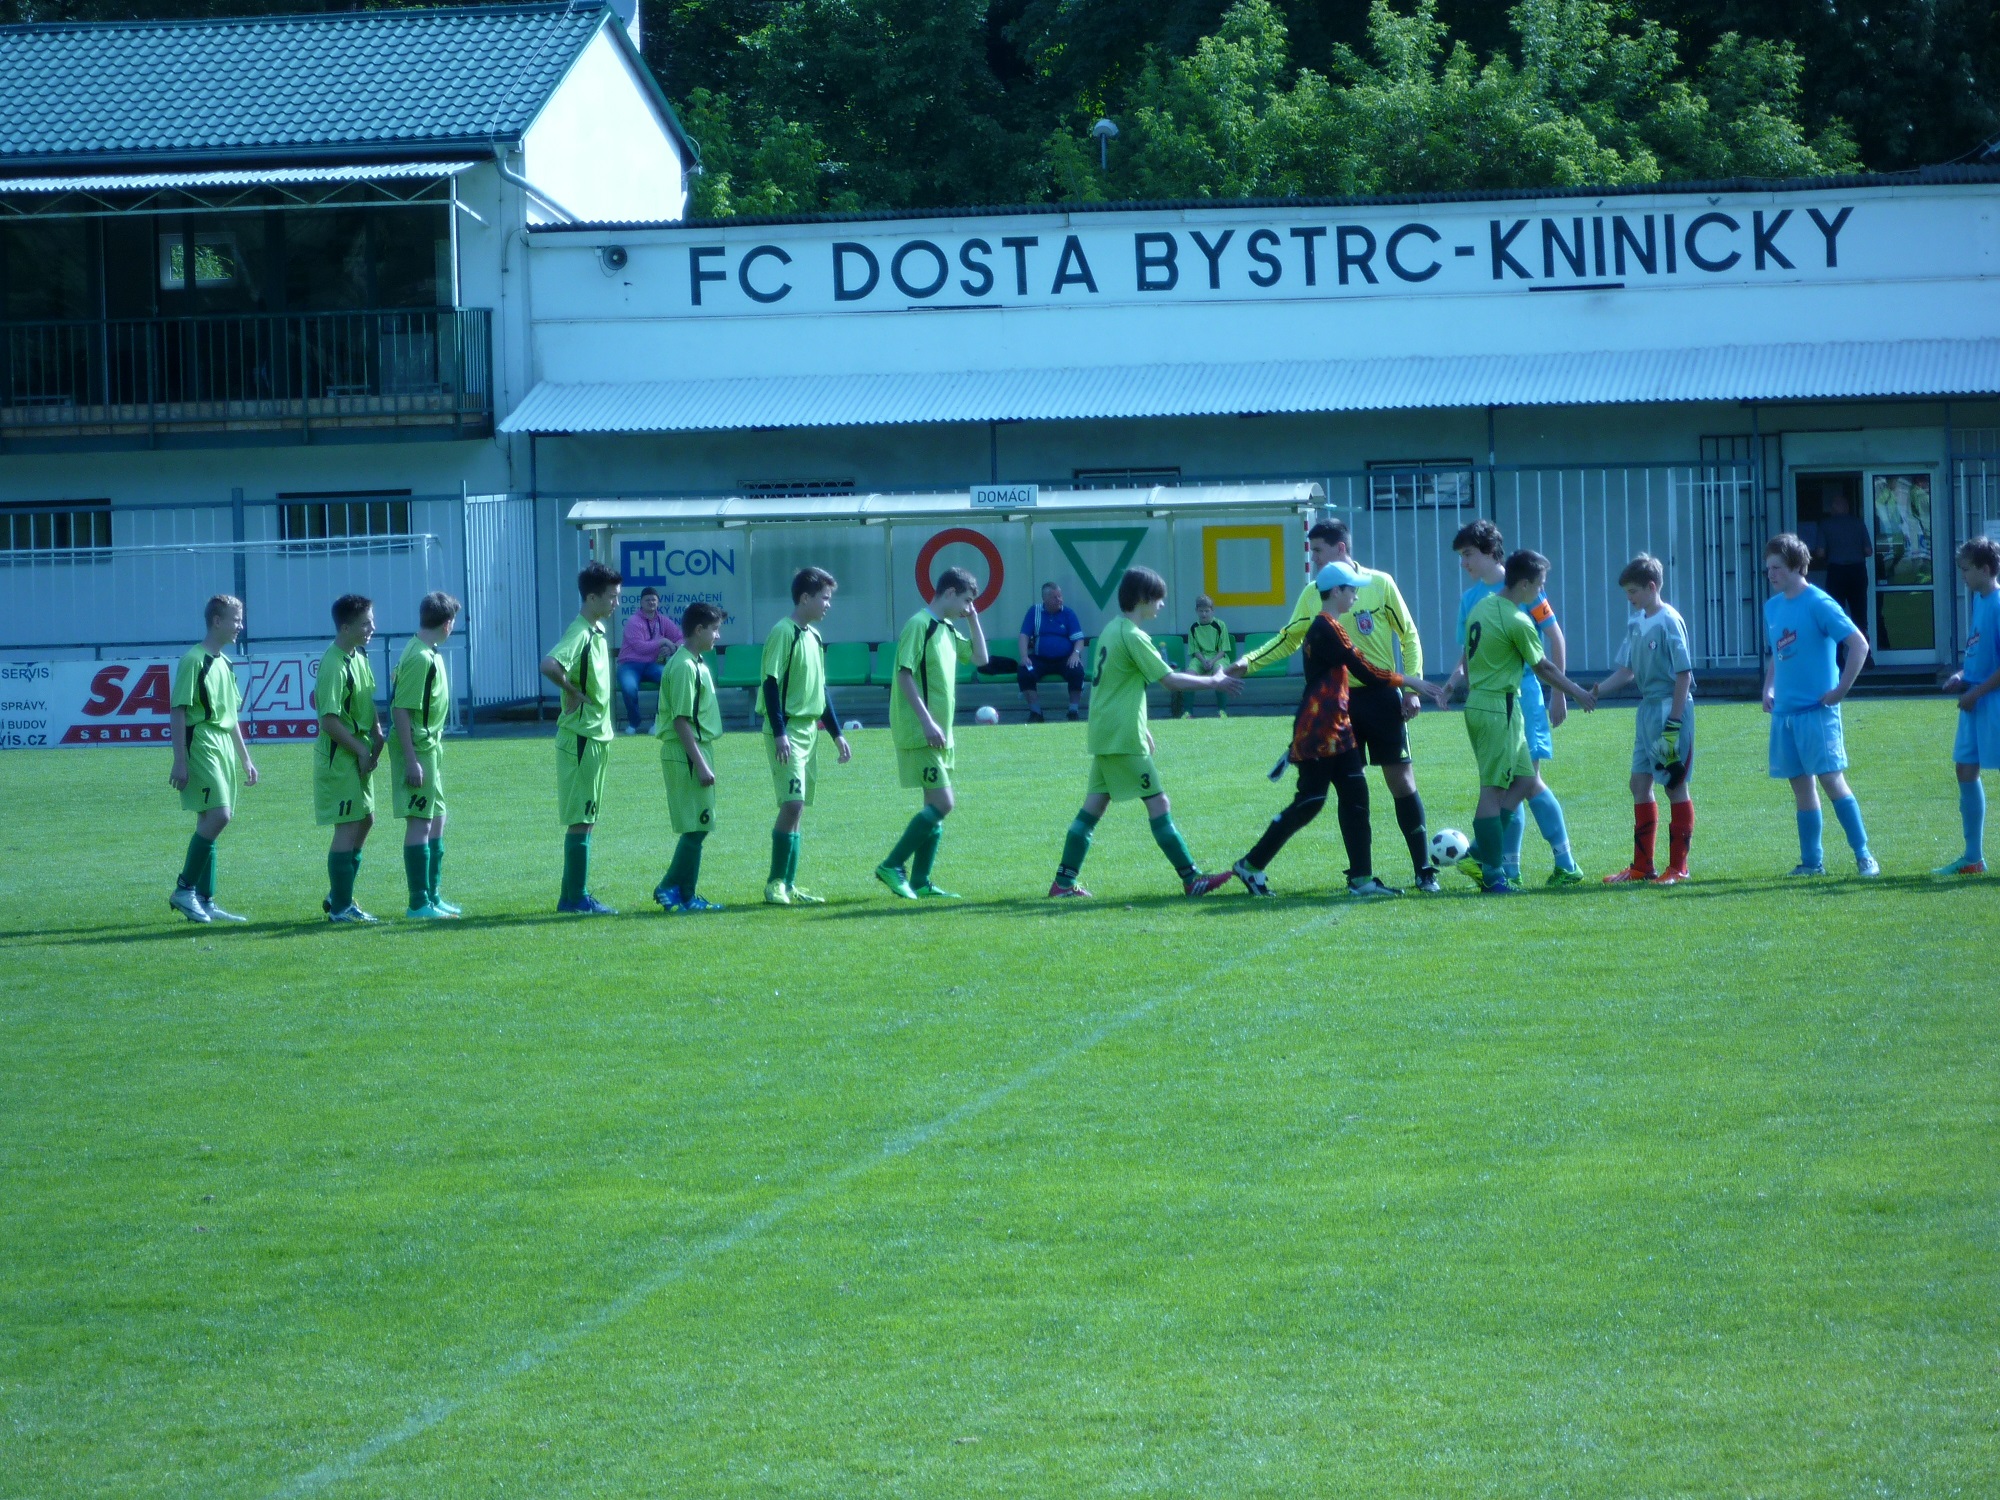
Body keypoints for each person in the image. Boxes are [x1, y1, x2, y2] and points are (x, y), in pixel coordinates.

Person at [1235, 519, 1439, 891]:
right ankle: (1358, 875)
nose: (1312, 560)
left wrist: (1410, 687)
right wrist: (1247, 664)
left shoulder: (1377, 584)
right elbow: (1288, 639)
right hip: (1339, 709)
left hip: (1379, 700)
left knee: (1398, 781)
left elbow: (1408, 635)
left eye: (1317, 551)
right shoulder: (1318, 595)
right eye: (1311, 552)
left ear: (1340, 549)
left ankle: (1423, 871)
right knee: (1344, 789)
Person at [1049, 566, 1243, 898]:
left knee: (1094, 806)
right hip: (1121, 737)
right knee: (1159, 802)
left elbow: (1117, 686)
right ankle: (1191, 878)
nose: (1162, 605)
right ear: (1142, 598)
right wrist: (1214, 680)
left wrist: (1144, 728)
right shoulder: (1133, 635)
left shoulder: (1112, 629)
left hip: (1106, 732)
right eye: (1159, 598)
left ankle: (1062, 884)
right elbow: (1169, 680)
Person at [1452, 551, 1597, 894]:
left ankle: (1478, 852)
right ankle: (1492, 873)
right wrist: (1576, 692)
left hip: (1498, 704)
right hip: (1496, 707)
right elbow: (1543, 667)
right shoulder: (1516, 620)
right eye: (1540, 585)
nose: (1541, 592)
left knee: (1525, 780)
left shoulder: (1482, 606)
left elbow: (1469, 662)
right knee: (1494, 789)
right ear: (1526, 583)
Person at [1762, 533, 1878, 877]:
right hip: (1785, 715)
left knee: (1832, 780)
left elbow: (1858, 645)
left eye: (1778, 567)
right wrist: (1768, 689)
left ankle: (1864, 855)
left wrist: (1841, 689)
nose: (1771, 574)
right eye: (1767, 568)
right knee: (1800, 787)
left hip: (1817, 712)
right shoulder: (1773, 606)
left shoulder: (1819, 603)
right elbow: (1778, 655)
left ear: (1798, 566)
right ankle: (1812, 862)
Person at [877, 566, 990, 899]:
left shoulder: (948, 628)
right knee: (944, 803)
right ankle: (892, 865)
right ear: (950, 593)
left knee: (934, 806)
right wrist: (927, 721)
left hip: (941, 733)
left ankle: (921, 882)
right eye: (966, 601)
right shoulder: (919, 625)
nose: (968, 607)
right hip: (920, 730)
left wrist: (973, 618)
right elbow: (904, 675)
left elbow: (981, 658)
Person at [1591, 556, 1696, 885]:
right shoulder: (1637, 623)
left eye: (1633, 591)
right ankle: (1642, 866)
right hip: (1647, 711)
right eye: (1626, 592)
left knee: (1675, 785)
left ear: (1652, 587)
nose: (1629, 598)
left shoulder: (1669, 621)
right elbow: (1627, 670)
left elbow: (1684, 674)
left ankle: (1678, 867)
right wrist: (1593, 692)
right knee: (1639, 784)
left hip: (1668, 710)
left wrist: (1675, 723)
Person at [759, 566, 854, 905]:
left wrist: (836, 733)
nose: (828, 605)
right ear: (804, 598)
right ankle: (774, 884)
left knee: (799, 808)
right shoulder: (784, 632)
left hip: (809, 730)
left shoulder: (813, 636)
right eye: (824, 598)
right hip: (787, 730)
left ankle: (789, 883)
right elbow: (770, 683)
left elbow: (820, 689)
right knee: (793, 803)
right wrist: (781, 732)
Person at [167, 594, 258, 923]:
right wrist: (179, 760)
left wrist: (245, 759)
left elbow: (231, 716)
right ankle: (184, 889)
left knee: (211, 820)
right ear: (217, 621)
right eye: (235, 619)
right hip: (201, 741)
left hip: (221, 745)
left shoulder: (225, 663)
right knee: (219, 815)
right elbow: (178, 710)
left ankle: (205, 900)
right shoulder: (195, 659)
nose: (240, 626)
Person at [540, 561, 622, 915]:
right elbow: (549, 665)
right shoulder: (581, 632)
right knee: (581, 818)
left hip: (595, 736)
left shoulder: (597, 631)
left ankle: (571, 896)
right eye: (612, 597)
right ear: (591, 597)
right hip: (581, 736)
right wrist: (570, 690)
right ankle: (576, 898)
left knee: (587, 817)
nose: (616, 603)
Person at [389, 591, 462, 919]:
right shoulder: (419, 657)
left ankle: (433, 896)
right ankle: (418, 903)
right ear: (447, 623)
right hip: (418, 748)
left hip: (430, 748)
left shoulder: (427, 652)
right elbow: (401, 710)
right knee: (421, 821)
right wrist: (411, 759)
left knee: (438, 818)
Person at [315, 593, 386, 923]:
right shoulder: (332, 664)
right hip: (340, 757)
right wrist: (359, 750)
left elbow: (366, 700)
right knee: (347, 826)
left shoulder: (359, 656)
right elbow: (328, 720)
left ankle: (339, 893)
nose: (372, 627)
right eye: (365, 623)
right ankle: (341, 907)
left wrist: (377, 732)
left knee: (367, 819)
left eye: (371, 621)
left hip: (359, 752)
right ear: (345, 628)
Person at [653, 601, 727, 912]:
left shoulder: (696, 663)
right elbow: (680, 720)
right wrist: (700, 764)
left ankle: (686, 894)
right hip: (686, 751)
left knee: (700, 826)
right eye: (714, 629)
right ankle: (671, 887)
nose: (717, 636)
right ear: (698, 630)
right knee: (696, 827)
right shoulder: (683, 666)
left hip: (696, 748)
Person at [1935, 535, 2000, 876]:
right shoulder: (1979, 601)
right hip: (1974, 700)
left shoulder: (1999, 602)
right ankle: (1973, 857)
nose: (1962, 575)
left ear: (1985, 569)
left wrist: (1976, 693)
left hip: (1991, 702)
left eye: (1966, 569)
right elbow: (1980, 652)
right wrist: (1962, 675)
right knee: (1964, 768)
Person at [1803, 483, 1872, 640]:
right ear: (1847, 507)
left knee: (1836, 613)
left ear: (1833, 509)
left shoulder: (1826, 525)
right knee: (1859, 613)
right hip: (1857, 571)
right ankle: (1866, 654)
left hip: (1836, 572)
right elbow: (1869, 551)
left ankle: (1838, 657)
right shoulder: (1858, 523)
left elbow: (1820, 552)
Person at [1017, 582, 1085, 722]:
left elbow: (1079, 639)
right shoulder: (1034, 612)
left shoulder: (1068, 613)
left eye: (1060, 596)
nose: (1059, 599)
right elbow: (1024, 635)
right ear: (1045, 600)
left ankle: (1073, 711)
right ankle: (1036, 713)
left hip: (1064, 658)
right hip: (1040, 658)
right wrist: (1024, 656)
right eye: (1055, 597)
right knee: (1025, 671)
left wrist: (1076, 653)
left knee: (1076, 670)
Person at [617, 586, 682, 734]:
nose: (651, 602)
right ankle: (634, 722)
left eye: (654, 600)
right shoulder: (633, 621)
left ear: (658, 602)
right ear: (641, 602)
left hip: (652, 664)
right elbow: (639, 647)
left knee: (669, 679)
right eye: (647, 600)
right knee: (629, 688)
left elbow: (681, 637)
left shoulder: (663, 621)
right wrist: (662, 641)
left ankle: (658, 721)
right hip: (629, 665)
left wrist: (673, 648)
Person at [1171, 595, 1233, 718]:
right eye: (1201, 611)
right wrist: (1204, 660)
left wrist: (1212, 661)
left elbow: (1223, 650)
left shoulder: (1220, 625)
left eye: (1206, 611)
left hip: (1218, 657)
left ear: (1212, 611)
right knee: (1189, 676)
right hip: (1200, 658)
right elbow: (1195, 651)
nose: (1204, 614)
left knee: (1219, 674)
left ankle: (1222, 711)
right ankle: (1188, 711)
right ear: (1196, 611)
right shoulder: (1193, 627)